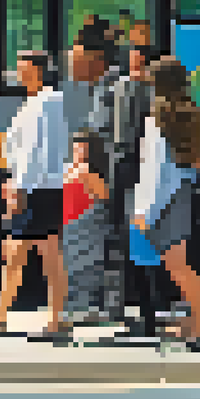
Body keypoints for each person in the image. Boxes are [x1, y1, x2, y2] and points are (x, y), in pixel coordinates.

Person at [0, 50, 70, 341]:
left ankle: (13, 318)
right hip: (38, 187)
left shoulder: (47, 102)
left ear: (38, 71)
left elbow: (36, 151)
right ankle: (40, 319)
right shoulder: (38, 101)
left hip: (38, 189)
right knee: (33, 254)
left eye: (23, 69)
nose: (18, 73)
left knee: (28, 253)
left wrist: (19, 188)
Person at [133, 55, 200, 344]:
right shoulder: (187, 111)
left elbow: (154, 168)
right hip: (179, 192)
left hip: (161, 196)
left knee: (176, 265)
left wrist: (146, 209)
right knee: (180, 264)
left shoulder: (156, 116)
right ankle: (198, 321)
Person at [63, 18, 124, 322]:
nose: (71, 69)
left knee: (99, 243)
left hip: (107, 181)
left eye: (76, 61)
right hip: (103, 180)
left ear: (96, 59)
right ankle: (104, 305)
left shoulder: (112, 88)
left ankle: (96, 305)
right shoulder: (104, 87)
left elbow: (107, 138)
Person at [115, 43, 163, 337]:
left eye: (137, 66)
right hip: (134, 176)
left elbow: (127, 135)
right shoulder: (133, 89)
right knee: (135, 247)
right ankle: (142, 312)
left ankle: (147, 315)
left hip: (139, 178)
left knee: (142, 246)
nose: (132, 72)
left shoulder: (141, 93)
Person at [62, 131, 112, 323]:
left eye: (82, 146)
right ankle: (75, 305)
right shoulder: (70, 169)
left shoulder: (88, 172)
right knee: (70, 266)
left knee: (83, 266)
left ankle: (86, 306)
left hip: (84, 223)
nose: (78, 150)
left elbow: (104, 197)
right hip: (69, 223)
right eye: (76, 146)